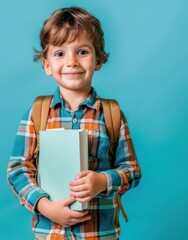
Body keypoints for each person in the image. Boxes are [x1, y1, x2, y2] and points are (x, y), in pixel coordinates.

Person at [6, 6, 141, 240]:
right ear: (47, 65)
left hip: (99, 234)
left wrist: (102, 181)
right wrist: (45, 206)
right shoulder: (36, 113)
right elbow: (18, 169)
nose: (71, 61)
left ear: (98, 60)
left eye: (82, 52)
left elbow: (131, 171)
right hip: (50, 233)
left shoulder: (112, 114)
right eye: (60, 53)